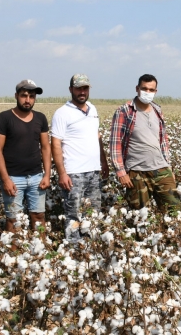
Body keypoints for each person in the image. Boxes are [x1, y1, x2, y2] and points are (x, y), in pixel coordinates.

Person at [109, 74, 181, 214]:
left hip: (161, 169)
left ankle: (167, 235)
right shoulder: (124, 111)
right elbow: (115, 144)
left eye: (151, 90)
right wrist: (121, 172)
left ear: (155, 91)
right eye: (144, 89)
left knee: (174, 211)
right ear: (137, 89)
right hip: (137, 171)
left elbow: (163, 141)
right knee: (140, 215)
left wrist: (168, 166)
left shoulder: (157, 110)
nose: (147, 92)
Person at [51, 74, 109, 241]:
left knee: (93, 213)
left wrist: (103, 162)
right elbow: (55, 144)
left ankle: (90, 248)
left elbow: (97, 137)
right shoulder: (62, 113)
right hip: (74, 173)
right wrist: (62, 173)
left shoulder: (93, 109)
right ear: (71, 90)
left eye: (85, 88)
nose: (82, 92)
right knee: (73, 216)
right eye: (78, 88)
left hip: (93, 172)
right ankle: (74, 249)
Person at [0, 80, 51, 233]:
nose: (27, 100)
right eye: (24, 95)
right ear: (16, 96)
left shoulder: (40, 118)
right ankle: (14, 255)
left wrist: (47, 175)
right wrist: (5, 179)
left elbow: (45, 147)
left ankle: (41, 254)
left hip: (36, 177)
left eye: (31, 96)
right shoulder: (4, 118)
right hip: (13, 178)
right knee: (13, 220)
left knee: (38, 217)